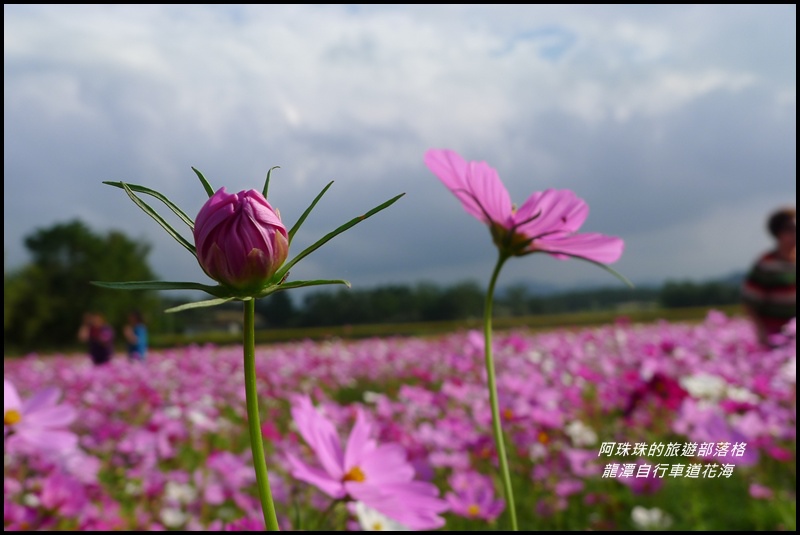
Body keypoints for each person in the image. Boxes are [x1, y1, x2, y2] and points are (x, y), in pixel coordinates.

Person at [741, 207, 796, 347]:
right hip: (775, 335)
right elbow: (750, 302)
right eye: (790, 229)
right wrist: (760, 331)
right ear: (778, 233)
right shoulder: (766, 264)